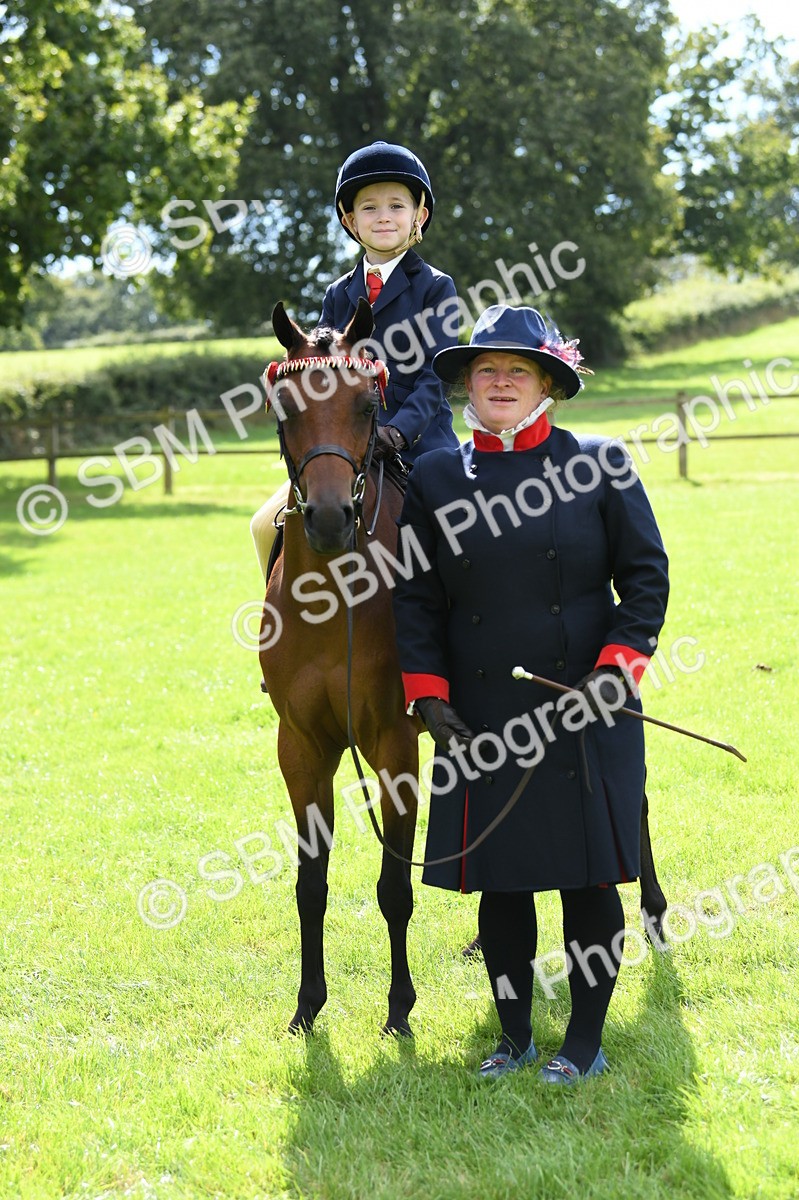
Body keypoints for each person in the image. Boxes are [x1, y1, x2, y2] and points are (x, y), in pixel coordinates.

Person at [392, 304, 669, 1083]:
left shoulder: (601, 463)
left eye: (518, 369)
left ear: (547, 383)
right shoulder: (435, 477)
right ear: (467, 387)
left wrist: (612, 673)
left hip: (585, 705)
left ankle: (583, 1040)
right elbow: (413, 597)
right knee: (502, 881)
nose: (501, 381)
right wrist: (427, 695)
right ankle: (513, 1037)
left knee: (587, 878)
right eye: (486, 370)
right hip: (481, 714)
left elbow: (644, 578)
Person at [250, 140, 460, 579]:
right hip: (346, 444)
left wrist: (398, 432)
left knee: (456, 531)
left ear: (419, 216)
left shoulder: (436, 287)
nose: (383, 216)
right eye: (369, 208)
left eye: (396, 206)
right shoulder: (338, 293)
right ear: (350, 220)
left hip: (420, 445)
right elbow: (319, 373)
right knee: (263, 525)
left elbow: (434, 377)